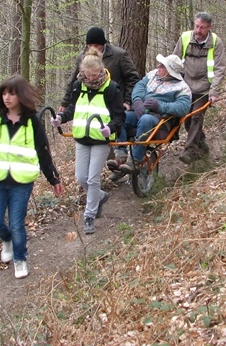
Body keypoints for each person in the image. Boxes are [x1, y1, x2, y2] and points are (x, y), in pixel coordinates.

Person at [0, 75, 64, 279]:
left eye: (11, 93)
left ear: (21, 95)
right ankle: (7, 239)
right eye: (4, 93)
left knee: (17, 222)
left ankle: (20, 259)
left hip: (21, 182)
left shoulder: (32, 122)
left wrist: (53, 179)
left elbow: (43, 152)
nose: (7, 97)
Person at [50, 49, 125, 235]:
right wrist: (60, 118)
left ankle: (89, 216)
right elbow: (73, 109)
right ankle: (100, 196)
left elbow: (119, 116)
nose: (92, 79)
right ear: (83, 72)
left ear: (101, 71)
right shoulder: (78, 85)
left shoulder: (111, 88)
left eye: (96, 75)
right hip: (82, 138)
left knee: (93, 179)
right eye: (89, 75)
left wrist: (111, 128)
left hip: (101, 139)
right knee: (81, 178)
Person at [60, 27, 140, 181]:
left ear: (103, 44)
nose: (93, 49)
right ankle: (104, 173)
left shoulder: (119, 55)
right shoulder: (82, 58)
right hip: (91, 107)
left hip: (114, 103)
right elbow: (73, 82)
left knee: (111, 133)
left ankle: (116, 164)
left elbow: (133, 78)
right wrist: (65, 103)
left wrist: (127, 101)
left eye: (97, 46)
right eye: (90, 45)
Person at [108, 54, 191, 174]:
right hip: (140, 111)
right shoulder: (153, 75)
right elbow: (139, 87)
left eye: (162, 66)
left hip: (160, 119)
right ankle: (120, 154)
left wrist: (160, 106)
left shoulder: (182, 88)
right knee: (120, 116)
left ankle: (135, 159)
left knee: (146, 119)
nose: (158, 66)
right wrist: (137, 101)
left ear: (170, 71)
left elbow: (183, 107)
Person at [172, 12, 226, 164]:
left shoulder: (216, 42)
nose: (198, 31)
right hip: (185, 87)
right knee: (187, 121)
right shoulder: (185, 38)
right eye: (196, 26)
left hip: (204, 89)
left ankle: (189, 151)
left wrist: (214, 92)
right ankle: (202, 147)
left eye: (202, 28)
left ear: (209, 27)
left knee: (196, 118)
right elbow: (174, 60)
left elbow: (220, 68)